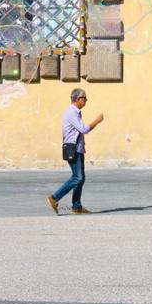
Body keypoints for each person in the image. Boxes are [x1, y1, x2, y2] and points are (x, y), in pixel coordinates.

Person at [48, 88, 102, 216]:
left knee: (80, 179)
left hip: (77, 149)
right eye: (85, 98)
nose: (86, 100)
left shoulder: (75, 112)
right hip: (73, 149)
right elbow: (84, 129)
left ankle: (77, 206)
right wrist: (97, 121)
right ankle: (54, 198)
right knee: (77, 177)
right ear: (78, 99)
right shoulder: (71, 112)